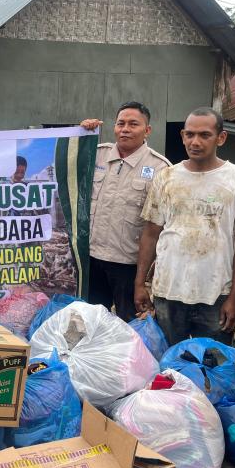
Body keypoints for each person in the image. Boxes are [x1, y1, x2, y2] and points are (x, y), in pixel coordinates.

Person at [135, 107, 235, 346]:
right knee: (169, 361)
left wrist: (234, 298)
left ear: (221, 138)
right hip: (168, 291)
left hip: (216, 294)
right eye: (190, 134)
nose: (195, 142)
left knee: (213, 361)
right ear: (182, 136)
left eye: (204, 135)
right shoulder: (166, 178)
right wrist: (140, 284)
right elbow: (150, 234)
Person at [80, 102, 170, 320]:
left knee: (129, 324)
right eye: (121, 123)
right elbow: (66, 163)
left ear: (147, 130)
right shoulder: (96, 154)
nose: (125, 129)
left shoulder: (160, 168)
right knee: (89, 322)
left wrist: (143, 281)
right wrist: (80, 135)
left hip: (128, 266)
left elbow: (157, 227)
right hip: (90, 259)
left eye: (133, 124)